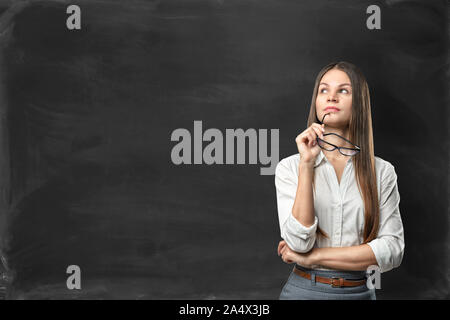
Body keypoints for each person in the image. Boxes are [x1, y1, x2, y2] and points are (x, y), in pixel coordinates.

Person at [275, 61, 405, 300]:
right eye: (323, 90)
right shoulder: (290, 167)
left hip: (361, 292)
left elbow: (392, 250)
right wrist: (307, 164)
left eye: (343, 90)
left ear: (359, 104)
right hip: (304, 291)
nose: (331, 97)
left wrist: (314, 258)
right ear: (316, 102)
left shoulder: (383, 172)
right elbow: (298, 243)